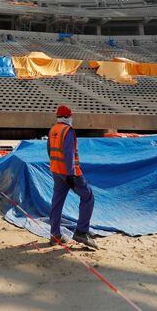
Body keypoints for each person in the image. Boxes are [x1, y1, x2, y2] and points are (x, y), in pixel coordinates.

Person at [47, 104, 98, 249]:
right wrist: (70, 174)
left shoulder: (53, 129)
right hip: (70, 173)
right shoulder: (67, 130)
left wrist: (58, 169)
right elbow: (69, 154)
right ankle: (81, 232)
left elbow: (50, 151)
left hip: (56, 171)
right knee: (88, 197)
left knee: (57, 202)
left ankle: (55, 235)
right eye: (71, 116)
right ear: (67, 117)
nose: (72, 118)